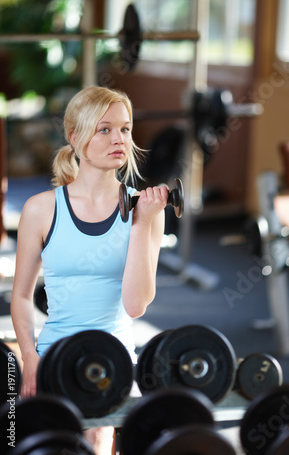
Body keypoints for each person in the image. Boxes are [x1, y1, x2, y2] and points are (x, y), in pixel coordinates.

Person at [11, 86, 169, 455]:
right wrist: (30, 358)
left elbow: (136, 306)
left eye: (126, 129)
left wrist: (142, 225)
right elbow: (19, 295)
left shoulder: (145, 212)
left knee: (95, 440)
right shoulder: (41, 209)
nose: (119, 139)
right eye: (105, 129)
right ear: (75, 136)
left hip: (114, 359)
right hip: (54, 355)